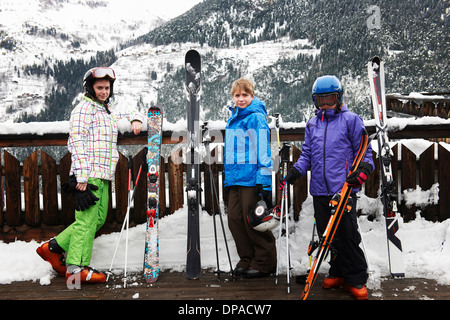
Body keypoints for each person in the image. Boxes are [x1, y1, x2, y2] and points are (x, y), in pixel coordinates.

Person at [37, 67, 143, 284]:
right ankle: (75, 269)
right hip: (89, 173)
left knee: (99, 218)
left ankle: (53, 248)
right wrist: (82, 178)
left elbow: (124, 114)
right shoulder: (83, 109)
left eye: (107, 88)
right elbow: (76, 141)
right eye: (99, 88)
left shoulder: (105, 110)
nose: (104, 91)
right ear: (90, 88)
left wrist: (135, 119)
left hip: (104, 174)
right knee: (86, 221)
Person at [282, 75, 374, 300]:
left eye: (330, 99)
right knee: (327, 236)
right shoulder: (313, 124)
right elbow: (307, 155)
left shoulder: (351, 120)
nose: (325, 105)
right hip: (320, 190)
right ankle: (338, 272)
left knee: (347, 234)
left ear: (339, 97)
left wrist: (361, 173)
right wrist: (295, 172)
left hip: (343, 189)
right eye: (320, 100)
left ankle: (356, 277)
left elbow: (366, 153)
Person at [224, 78, 276, 278]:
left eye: (245, 95)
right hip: (235, 178)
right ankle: (247, 259)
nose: (241, 99)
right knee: (234, 219)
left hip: (251, 178)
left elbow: (262, 150)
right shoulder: (234, 118)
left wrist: (263, 180)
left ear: (252, 96)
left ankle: (264, 262)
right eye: (237, 95)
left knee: (253, 220)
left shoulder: (255, 118)